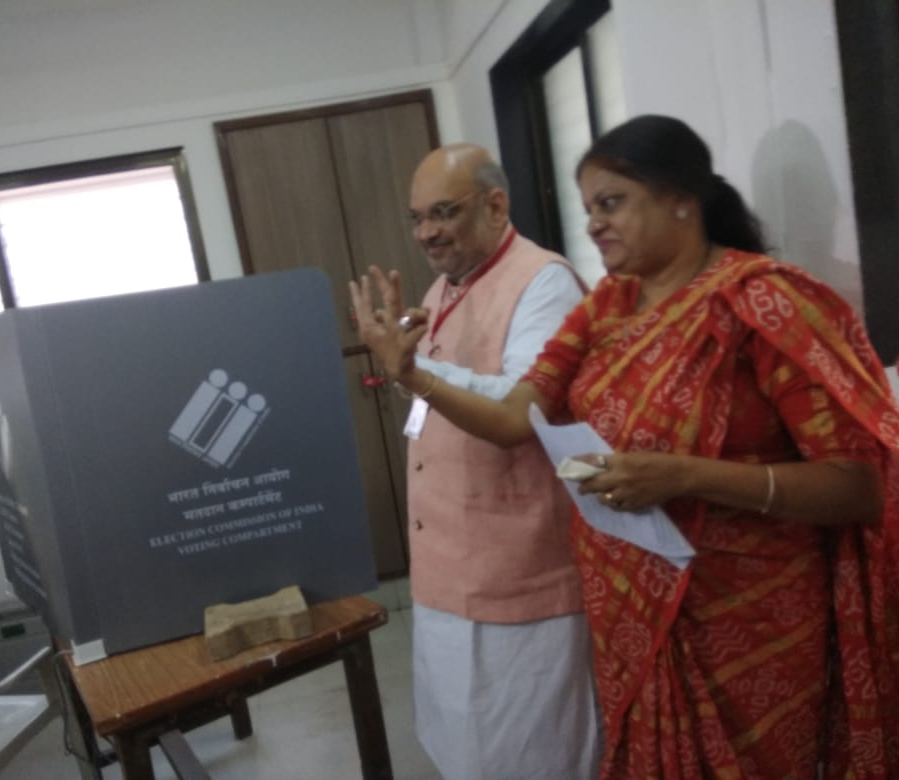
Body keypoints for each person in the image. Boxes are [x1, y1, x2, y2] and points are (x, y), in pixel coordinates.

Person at [351, 116, 899, 778]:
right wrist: (413, 376)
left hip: (748, 624)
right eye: (589, 209)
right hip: (631, 617)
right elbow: (514, 416)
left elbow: (859, 484)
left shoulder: (766, 302)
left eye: (611, 203)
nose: (593, 226)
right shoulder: (607, 307)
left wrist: (687, 477)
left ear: (682, 200)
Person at [392, 143, 602, 779]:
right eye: (417, 217)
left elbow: (521, 409)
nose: (428, 232)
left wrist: (413, 371)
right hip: (443, 571)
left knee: (533, 754)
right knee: (463, 746)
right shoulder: (444, 286)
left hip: (519, 575)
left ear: (495, 205)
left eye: (443, 213)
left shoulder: (544, 281)